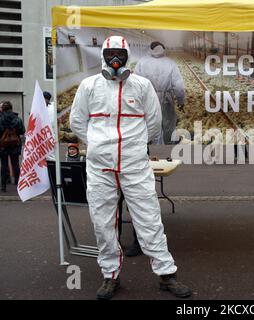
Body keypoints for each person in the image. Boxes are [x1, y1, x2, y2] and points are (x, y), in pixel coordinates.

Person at [70, 36, 191, 300]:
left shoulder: (142, 86)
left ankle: (166, 275)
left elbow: (153, 123)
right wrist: (100, 146)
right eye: (111, 54)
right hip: (100, 168)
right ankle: (110, 276)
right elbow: (77, 122)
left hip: (134, 165)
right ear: (104, 55)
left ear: (127, 56)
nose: (116, 60)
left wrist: (133, 148)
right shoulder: (89, 86)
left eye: (120, 55)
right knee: (103, 223)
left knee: (149, 219)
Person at [135, 41, 185, 144]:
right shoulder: (170, 63)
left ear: (150, 49)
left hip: (148, 98)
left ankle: (153, 148)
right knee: (168, 122)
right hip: (166, 98)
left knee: (151, 122)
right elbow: (178, 86)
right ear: (163, 49)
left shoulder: (142, 62)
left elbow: (136, 83)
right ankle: (168, 147)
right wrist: (181, 101)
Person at [0, 101, 25, 192]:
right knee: (15, 164)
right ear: (11, 108)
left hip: (3, 145)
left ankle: (3, 186)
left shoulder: (1, 119)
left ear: (3, 109)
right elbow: (22, 131)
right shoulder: (17, 119)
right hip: (15, 144)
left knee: (4, 165)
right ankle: (18, 184)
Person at [43, 91, 57, 161]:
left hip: (50, 134)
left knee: (50, 155)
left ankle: (52, 168)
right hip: (43, 135)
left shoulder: (52, 108)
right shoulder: (39, 108)